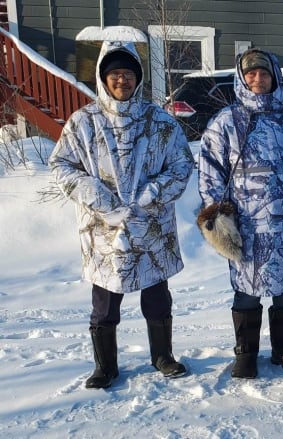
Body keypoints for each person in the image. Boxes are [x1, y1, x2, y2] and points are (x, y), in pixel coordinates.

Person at [49, 40, 194, 389]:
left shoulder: (159, 122)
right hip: (103, 231)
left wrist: (151, 195)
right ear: (103, 77)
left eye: (128, 74)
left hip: (151, 227)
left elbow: (181, 165)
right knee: (104, 303)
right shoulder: (83, 122)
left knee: (157, 296)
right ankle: (105, 366)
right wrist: (96, 194)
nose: (122, 81)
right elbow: (60, 165)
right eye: (115, 74)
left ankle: (162, 356)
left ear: (138, 78)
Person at [199, 48, 283, 378]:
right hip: (247, 223)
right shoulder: (225, 122)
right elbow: (210, 173)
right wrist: (218, 219)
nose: (257, 78)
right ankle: (246, 351)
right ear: (241, 77)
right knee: (246, 288)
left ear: (274, 77)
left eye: (263, 73)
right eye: (250, 73)